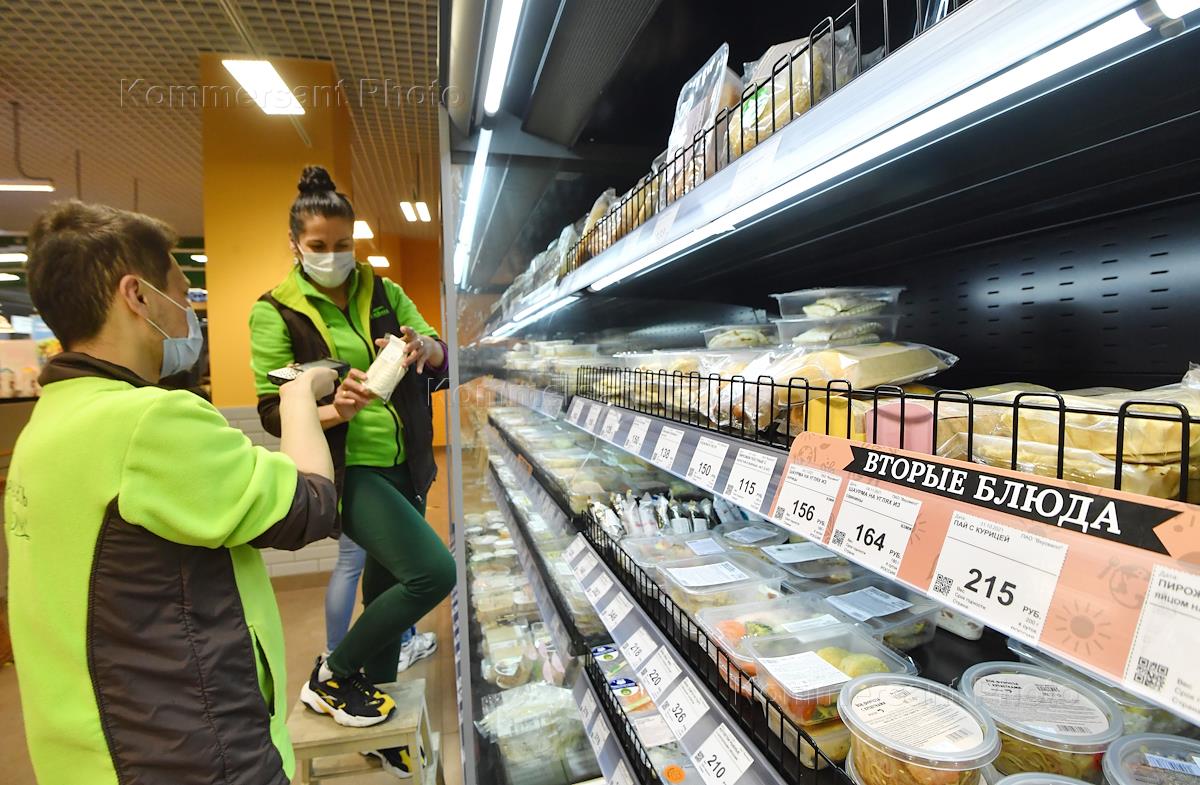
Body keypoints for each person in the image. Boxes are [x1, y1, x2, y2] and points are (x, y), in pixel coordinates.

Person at [4, 200, 341, 785]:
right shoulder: (147, 422)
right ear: (137, 296)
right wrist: (297, 396)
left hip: (92, 754)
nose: (190, 313)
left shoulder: (48, 423)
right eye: (183, 295)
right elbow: (309, 505)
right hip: (190, 755)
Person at [249, 166, 455, 777]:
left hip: (405, 463)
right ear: (295, 244)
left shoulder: (384, 292)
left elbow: (440, 353)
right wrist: (334, 409)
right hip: (348, 472)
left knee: (387, 590)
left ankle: (379, 726)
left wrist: (424, 348)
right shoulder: (276, 312)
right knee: (433, 573)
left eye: (343, 244)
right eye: (318, 245)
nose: (333, 255)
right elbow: (273, 412)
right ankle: (333, 673)